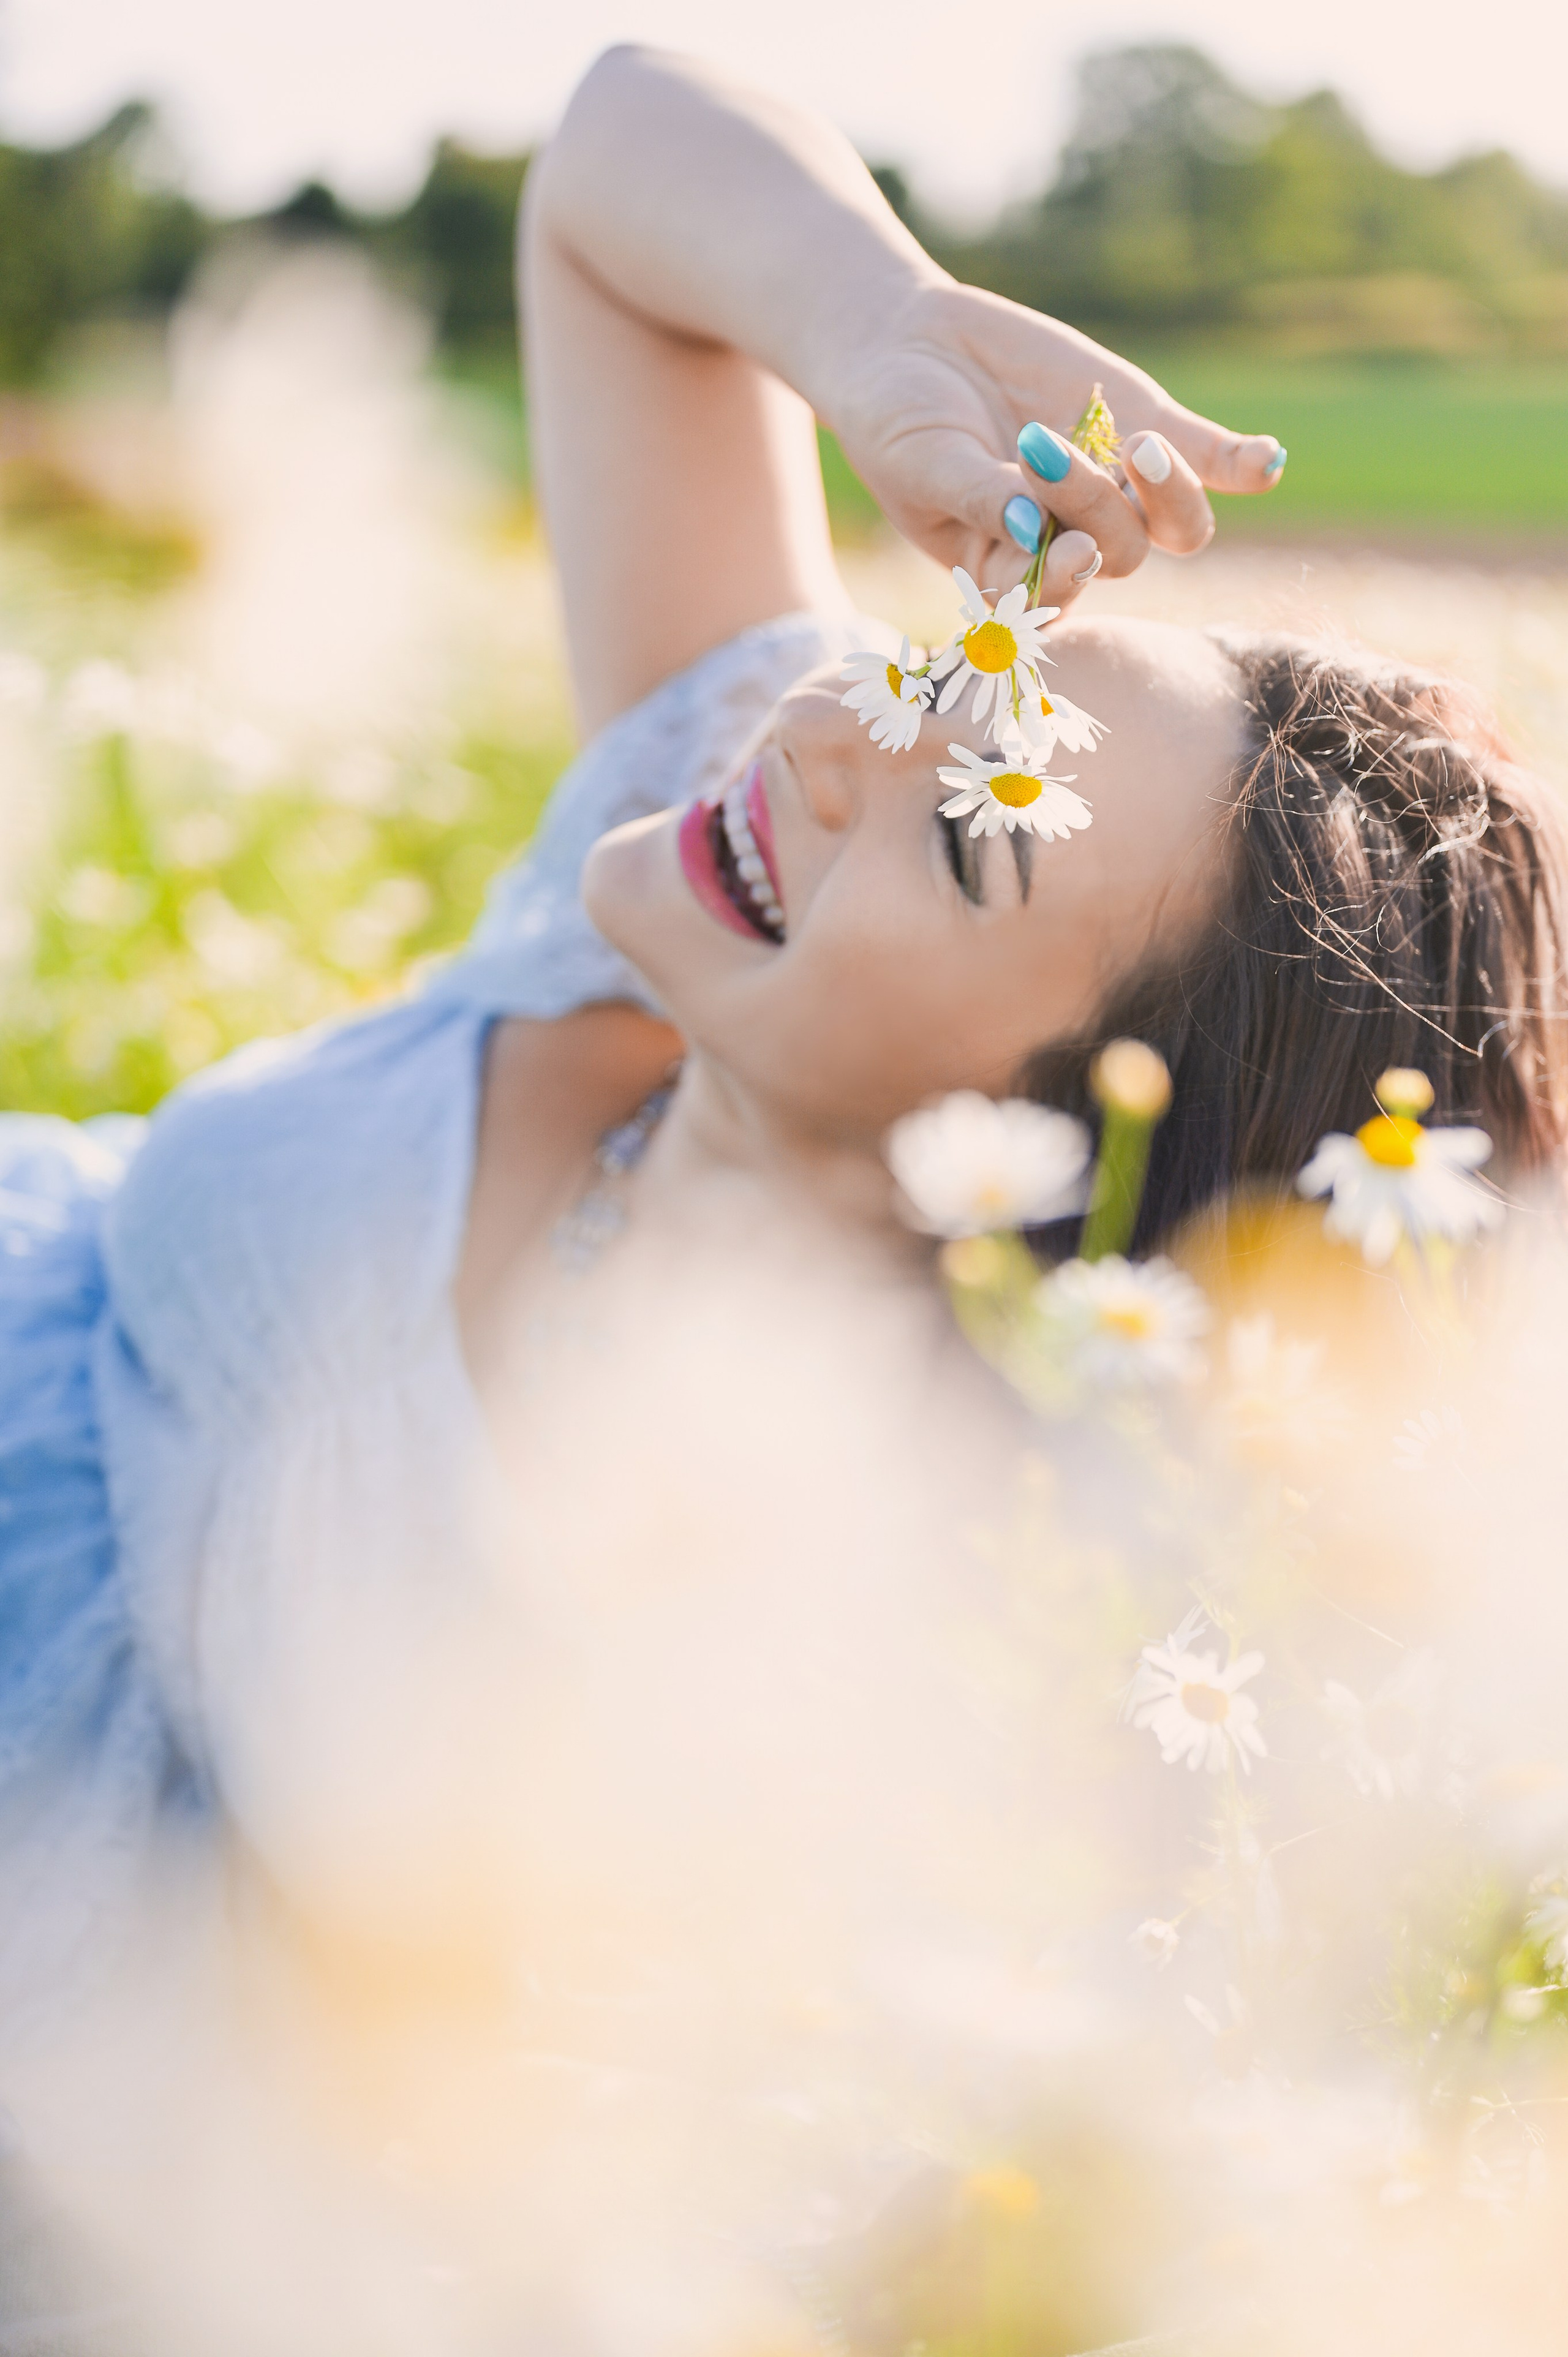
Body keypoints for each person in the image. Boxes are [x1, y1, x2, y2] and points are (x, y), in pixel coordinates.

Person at [2, 37, 1566, 2341]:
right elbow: (618, 156)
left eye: (976, 826)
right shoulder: (681, 872)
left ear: (1060, 1161)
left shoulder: (856, 1626)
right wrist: (877, 324)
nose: (838, 733)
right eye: (965, 670)